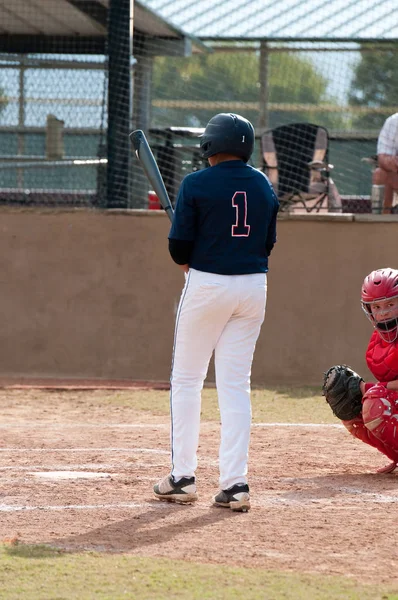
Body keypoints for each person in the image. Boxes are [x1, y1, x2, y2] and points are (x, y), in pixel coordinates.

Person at [153, 113, 279, 512]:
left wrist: (192, 263)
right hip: (253, 286)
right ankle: (235, 483)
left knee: (187, 379)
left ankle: (182, 477)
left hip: (207, 284)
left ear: (210, 146)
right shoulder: (263, 184)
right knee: (235, 384)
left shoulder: (195, 183)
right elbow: (268, 242)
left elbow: (178, 248)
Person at [324, 268, 398, 473]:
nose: (383, 312)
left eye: (391, 304)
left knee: (375, 399)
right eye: (377, 306)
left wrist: (370, 388)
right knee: (349, 404)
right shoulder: (378, 339)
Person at [372, 113, 398, 214]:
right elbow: (383, 158)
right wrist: (392, 162)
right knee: (380, 174)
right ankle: (381, 222)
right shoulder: (394, 121)